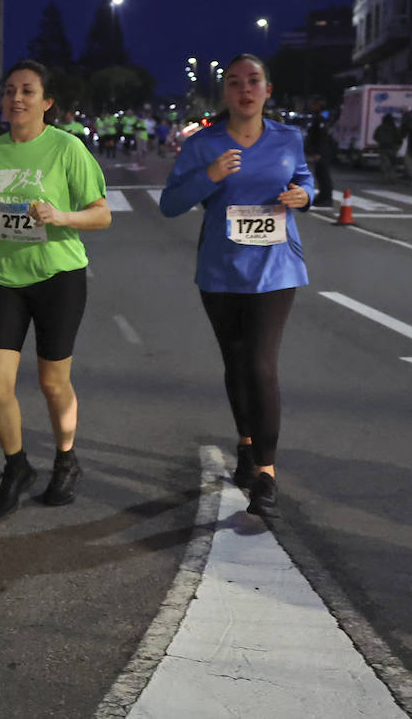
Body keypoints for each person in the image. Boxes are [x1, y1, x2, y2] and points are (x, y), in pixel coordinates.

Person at [158, 53, 313, 519]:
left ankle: (265, 473)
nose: (245, 89)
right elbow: (170, 204)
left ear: (268, 90)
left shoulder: (288, 138)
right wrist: (211, 176)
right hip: (221, 269)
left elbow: (305, 180)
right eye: (234, 82)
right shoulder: (204, 144)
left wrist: (304, 195)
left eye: (253, 81)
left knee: (261, 365)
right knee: (237, 361)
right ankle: (246, 443)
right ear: (225, 92)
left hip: (276, 266)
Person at [0, 59, 112, 517]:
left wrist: (61, 216)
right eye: (10, 91)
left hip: (59, 277)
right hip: (5, 278)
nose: (16, 98)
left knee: (52, 382)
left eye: (27, 91)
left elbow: (102, 213)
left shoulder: (67, 149)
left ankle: (66, 459)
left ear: (47, 102)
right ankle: (16, 465)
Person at [306, 108, 336, 207]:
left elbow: (322, 137)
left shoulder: (321, 120)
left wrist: (318, 152)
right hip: (322, 151)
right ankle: (322, 197)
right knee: (319, 174)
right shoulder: (319, 118)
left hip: (323, 152)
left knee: (324, 175)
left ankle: (326, 198)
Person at [373, 114, 401, 183]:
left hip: (383, 147)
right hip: (392, 147)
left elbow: (375, 137)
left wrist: (380, 141)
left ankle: (384, 178)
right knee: (392, 163)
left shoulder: (380, 128)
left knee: (384, 163)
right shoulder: (394, 128)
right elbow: (398, 138)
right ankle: (392, 177)